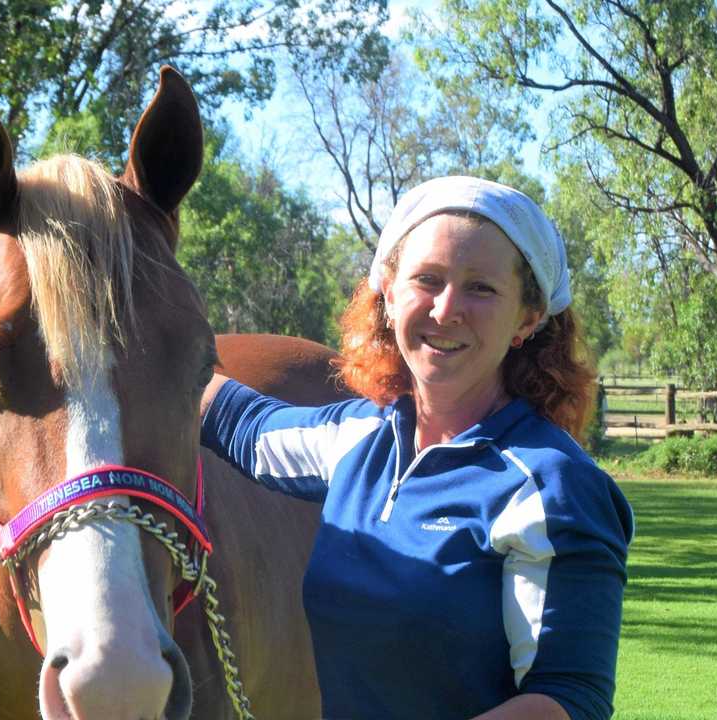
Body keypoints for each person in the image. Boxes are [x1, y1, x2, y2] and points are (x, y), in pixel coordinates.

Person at [200, 176, 635, 720]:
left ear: (528, 318)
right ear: (388, 294)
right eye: (428, 279)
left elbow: (570, 700)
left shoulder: (551, 486)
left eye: (481, 288)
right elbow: (242, 424)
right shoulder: (358, 438)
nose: (446, 309)